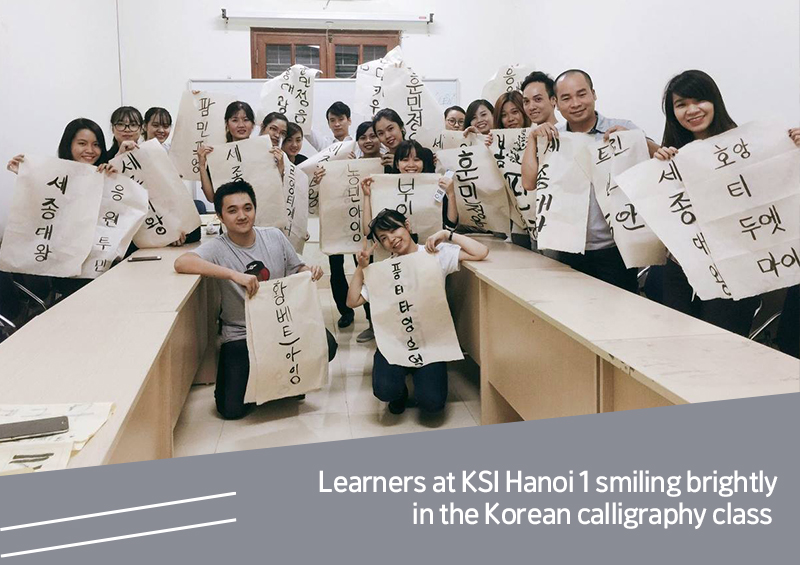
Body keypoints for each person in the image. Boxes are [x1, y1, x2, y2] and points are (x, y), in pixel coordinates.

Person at [653, 69, 800, 337]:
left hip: (736, 269)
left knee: (723, 349)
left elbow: (779, 192)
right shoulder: (673, 154)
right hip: (683, 269)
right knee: (675, 346)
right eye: (681, 104)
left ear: (715, 102)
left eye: (699, 100)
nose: (692, 110)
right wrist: (659, 166)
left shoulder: (750, 147)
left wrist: (793, 150)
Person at [174, 180, 336, 420]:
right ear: (219, 216)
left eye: (247, 208)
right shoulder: (218, 248)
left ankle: (278, 379)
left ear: (255, 209)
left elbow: (296, 266)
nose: (242, 215)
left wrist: (308, 271)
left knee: (328, 344)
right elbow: (182, 262)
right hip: (242, 334)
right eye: (232, 210)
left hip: (280, 326)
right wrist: (232, 274)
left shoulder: (273, 236)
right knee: (230, 410)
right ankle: (269, 380)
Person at [522, 69, 657, 293]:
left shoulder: (622, 127)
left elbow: (662, 162)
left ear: (594, 94)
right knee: (572, 314)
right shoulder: (552, 136)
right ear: (556, 102)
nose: (575, 103)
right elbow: (528, 183)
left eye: (581, 94)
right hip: (566, 246)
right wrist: (532, 138)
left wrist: (636, 140)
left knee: (621, 314)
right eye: (566, 98)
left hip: (615, 248)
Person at [345, 209, 488, 414]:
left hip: (430, 342)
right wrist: (361, 267)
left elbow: (481, 252)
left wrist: (447, 234)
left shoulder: (433, 254)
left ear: (407, 225)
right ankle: (400, 390)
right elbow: (352, 301)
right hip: (394, 342)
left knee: (432, 404)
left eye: (394, 230)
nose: (392, 239)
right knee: (386, 390)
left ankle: (420, 378)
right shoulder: (384, 269)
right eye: (384, 238)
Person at [6, 118, 118, 301]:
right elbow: (39, 212)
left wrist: (113, 178)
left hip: (103, 266)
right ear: (69, 144)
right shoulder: (55, 178)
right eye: (82, 143)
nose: (90, 150)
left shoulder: (105, 174)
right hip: (68, 272)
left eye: (96, 144)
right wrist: (26, 175)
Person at [197, 101, 259, 202]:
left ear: (253, 125)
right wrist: (202, 166)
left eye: (246, 120)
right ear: (227, 124)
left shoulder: (262, 152)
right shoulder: (219, 155)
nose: (241, 125)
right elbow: (211, 197)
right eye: (235, 120)